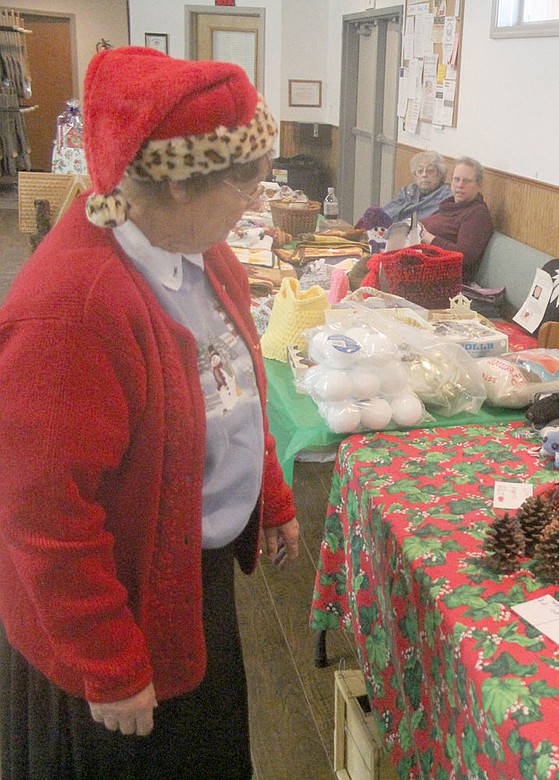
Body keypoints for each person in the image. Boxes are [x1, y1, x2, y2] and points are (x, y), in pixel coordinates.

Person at [0, 47, 300, 779]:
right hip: (114, 608)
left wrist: (271, 498)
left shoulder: (204, 251)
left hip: (182, 580)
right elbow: (42, 517)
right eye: (245, 186)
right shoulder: (73, 314)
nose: (254, 204)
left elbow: (233, 392)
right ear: (172, 188)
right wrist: (108, 662)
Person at [419, 155, 494, 281]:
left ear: (478, 185)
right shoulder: (449, 205)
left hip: (443, 277)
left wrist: (428, 238)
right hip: (421, 261)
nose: (460, 185)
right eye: (456, 179)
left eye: (467, 181)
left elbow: (463, 256)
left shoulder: (477, 213)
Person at [354, 149, 451, 229]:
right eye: (420, 171)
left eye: (430, 171)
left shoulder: (445, 197)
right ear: (415, 175)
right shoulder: (408, 191)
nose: (424, 175)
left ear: (440, 175)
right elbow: (388, 211)